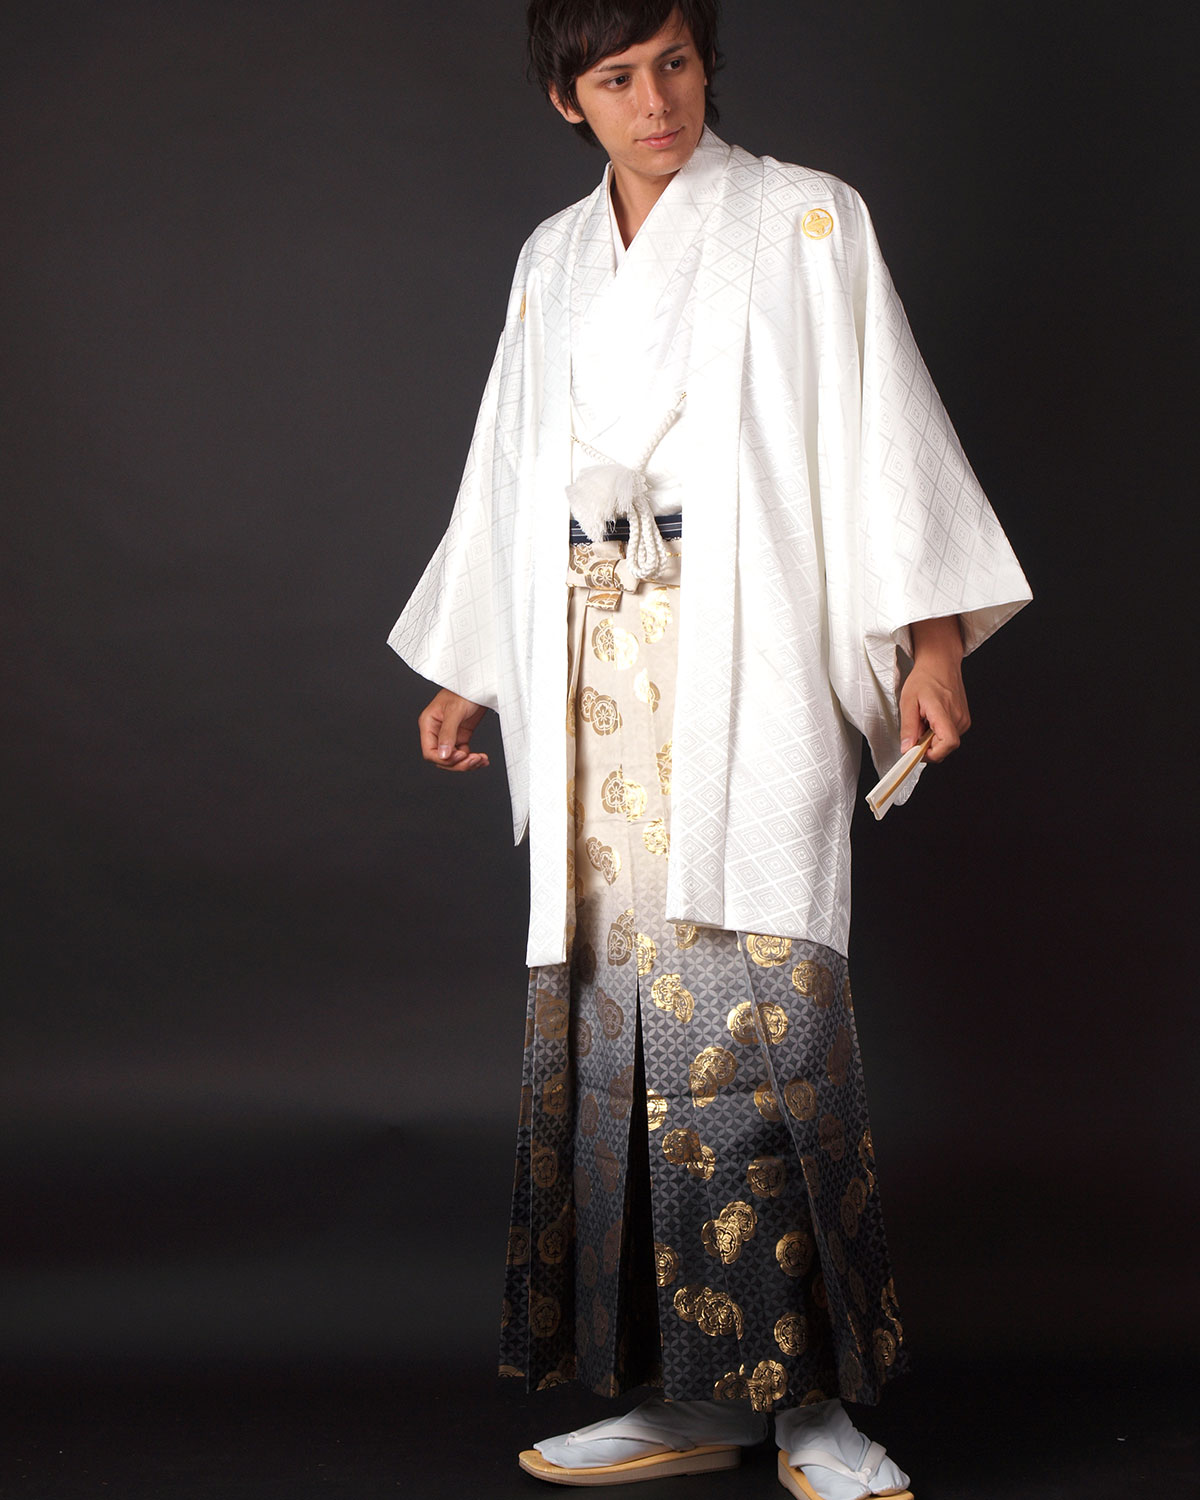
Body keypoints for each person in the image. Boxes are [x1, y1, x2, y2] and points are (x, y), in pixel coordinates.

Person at [389, 3, 1031, 1495]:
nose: (656, 101)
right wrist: (475, 666)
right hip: (592, 676)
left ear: (705, 61)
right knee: (619, 1029)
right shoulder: (553, 259)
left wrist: (932, 643)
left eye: (674, 63)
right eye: (617, 78)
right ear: (569, 99)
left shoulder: (806, 221)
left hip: (750, 660)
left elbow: (883, 431)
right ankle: (686, 1391)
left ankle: (812, 1407)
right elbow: (510, 462)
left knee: (762, 1017)